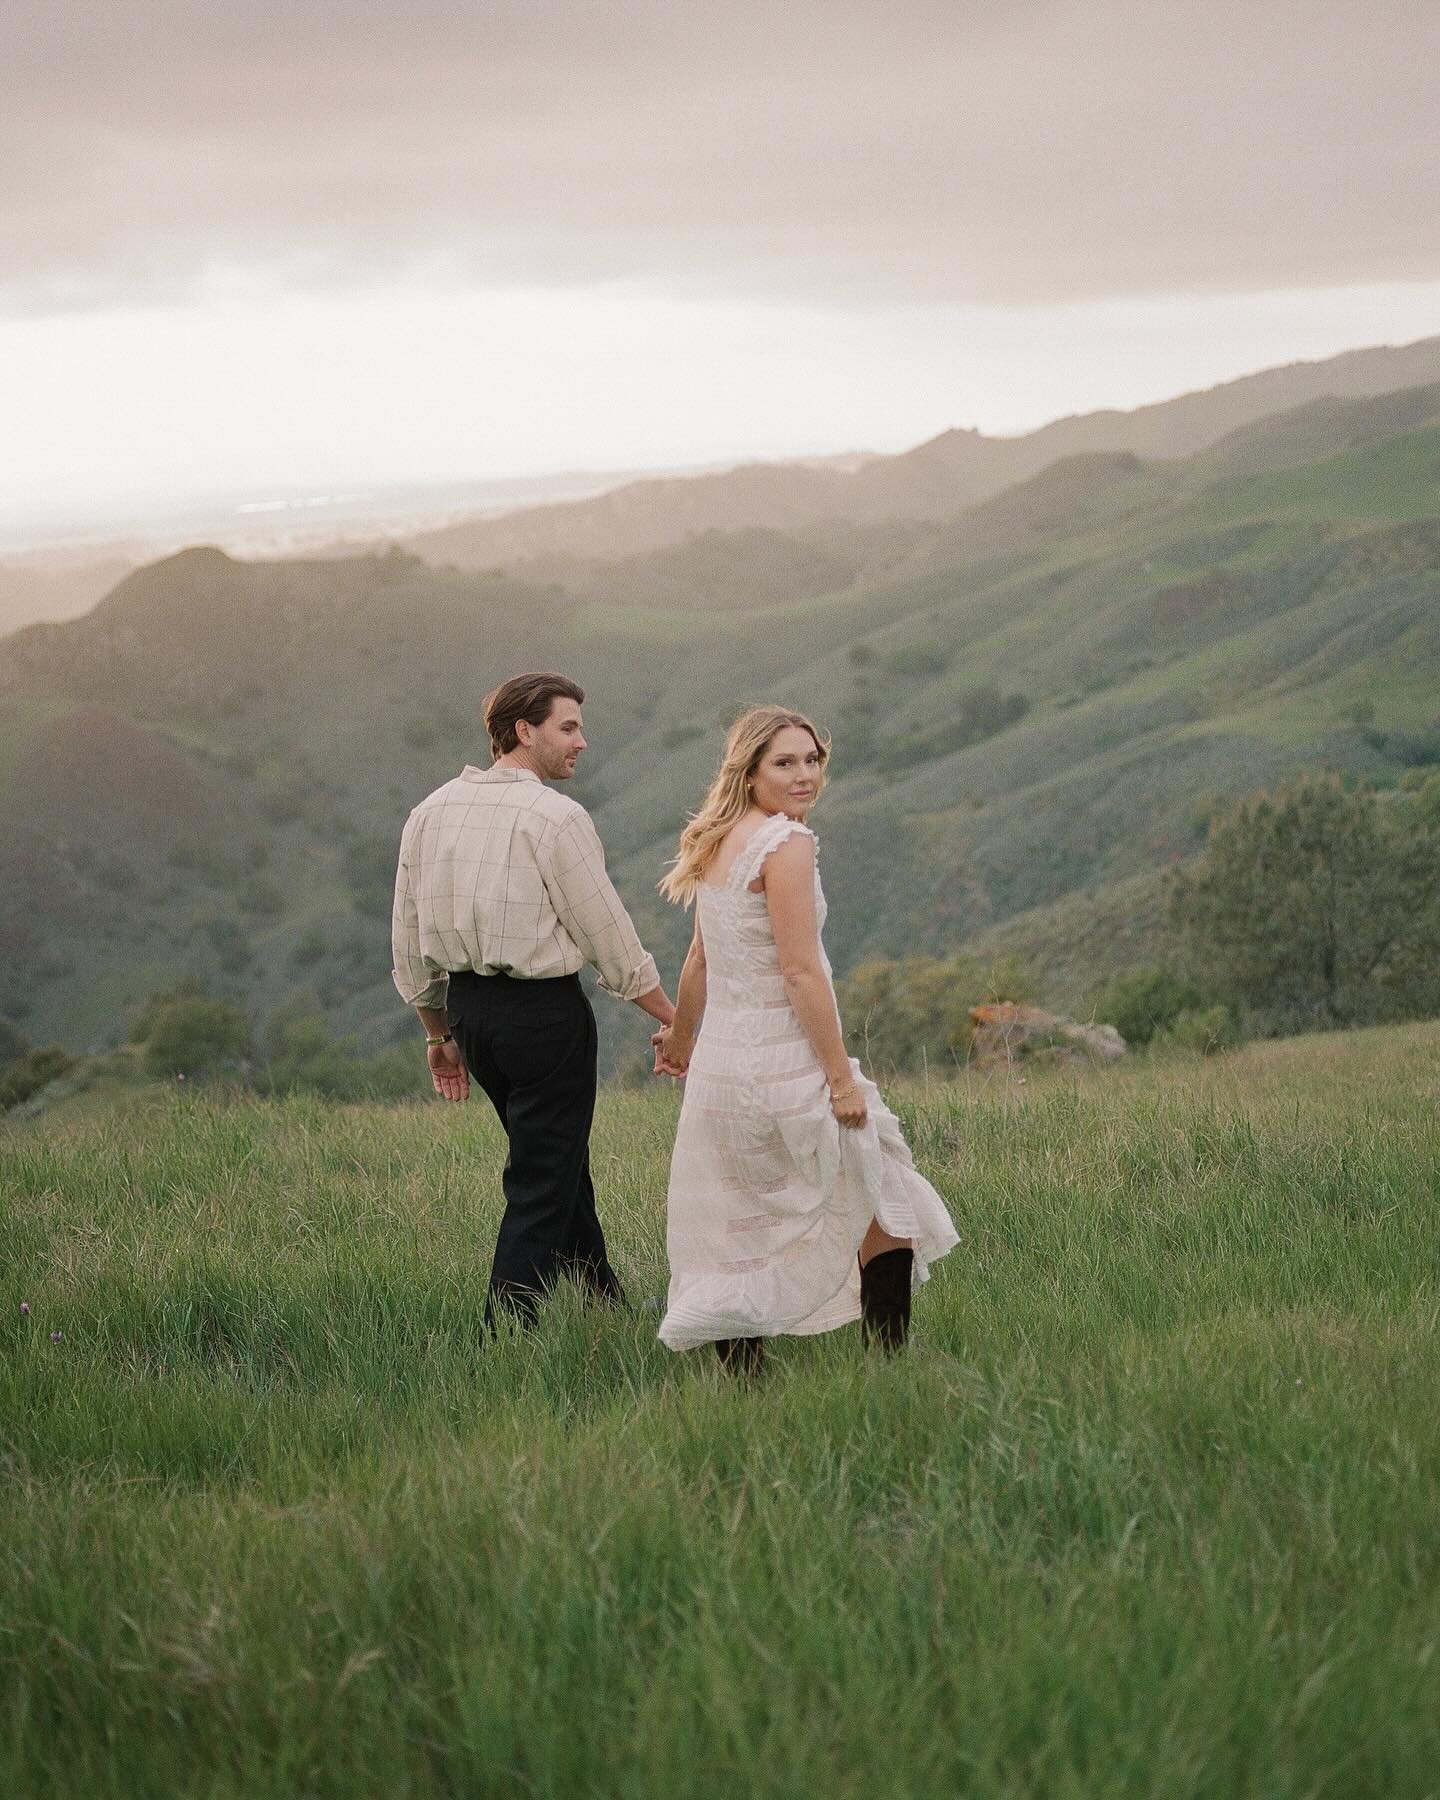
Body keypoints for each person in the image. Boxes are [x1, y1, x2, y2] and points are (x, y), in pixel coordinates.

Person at [652, 706, 959, 1370]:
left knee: (742, 1223)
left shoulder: (717, 839)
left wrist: (681, 1040)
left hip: (724, 1068)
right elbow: (799, 970)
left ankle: (746, 1386)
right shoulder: (785, 844)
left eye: (812, 760)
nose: (804, 775)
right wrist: (841, 1080)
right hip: (786, 1061)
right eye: (784, 763)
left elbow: (700, 959)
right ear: (750, 770)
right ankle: (890, 1368)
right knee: (886, 1203)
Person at [391, 671, 676, 1324]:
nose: (582, 742)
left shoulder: (429, 812)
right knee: (541, 1182)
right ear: (524, 731)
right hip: (543, 1019)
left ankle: (604, 1306)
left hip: (472, 1016)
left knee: (558, 1166)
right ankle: (505, 1332)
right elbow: (608, 936)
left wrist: (438, 1035)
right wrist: (677, 1020)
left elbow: (408, 940)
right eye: (568, 727)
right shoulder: (555, 817)